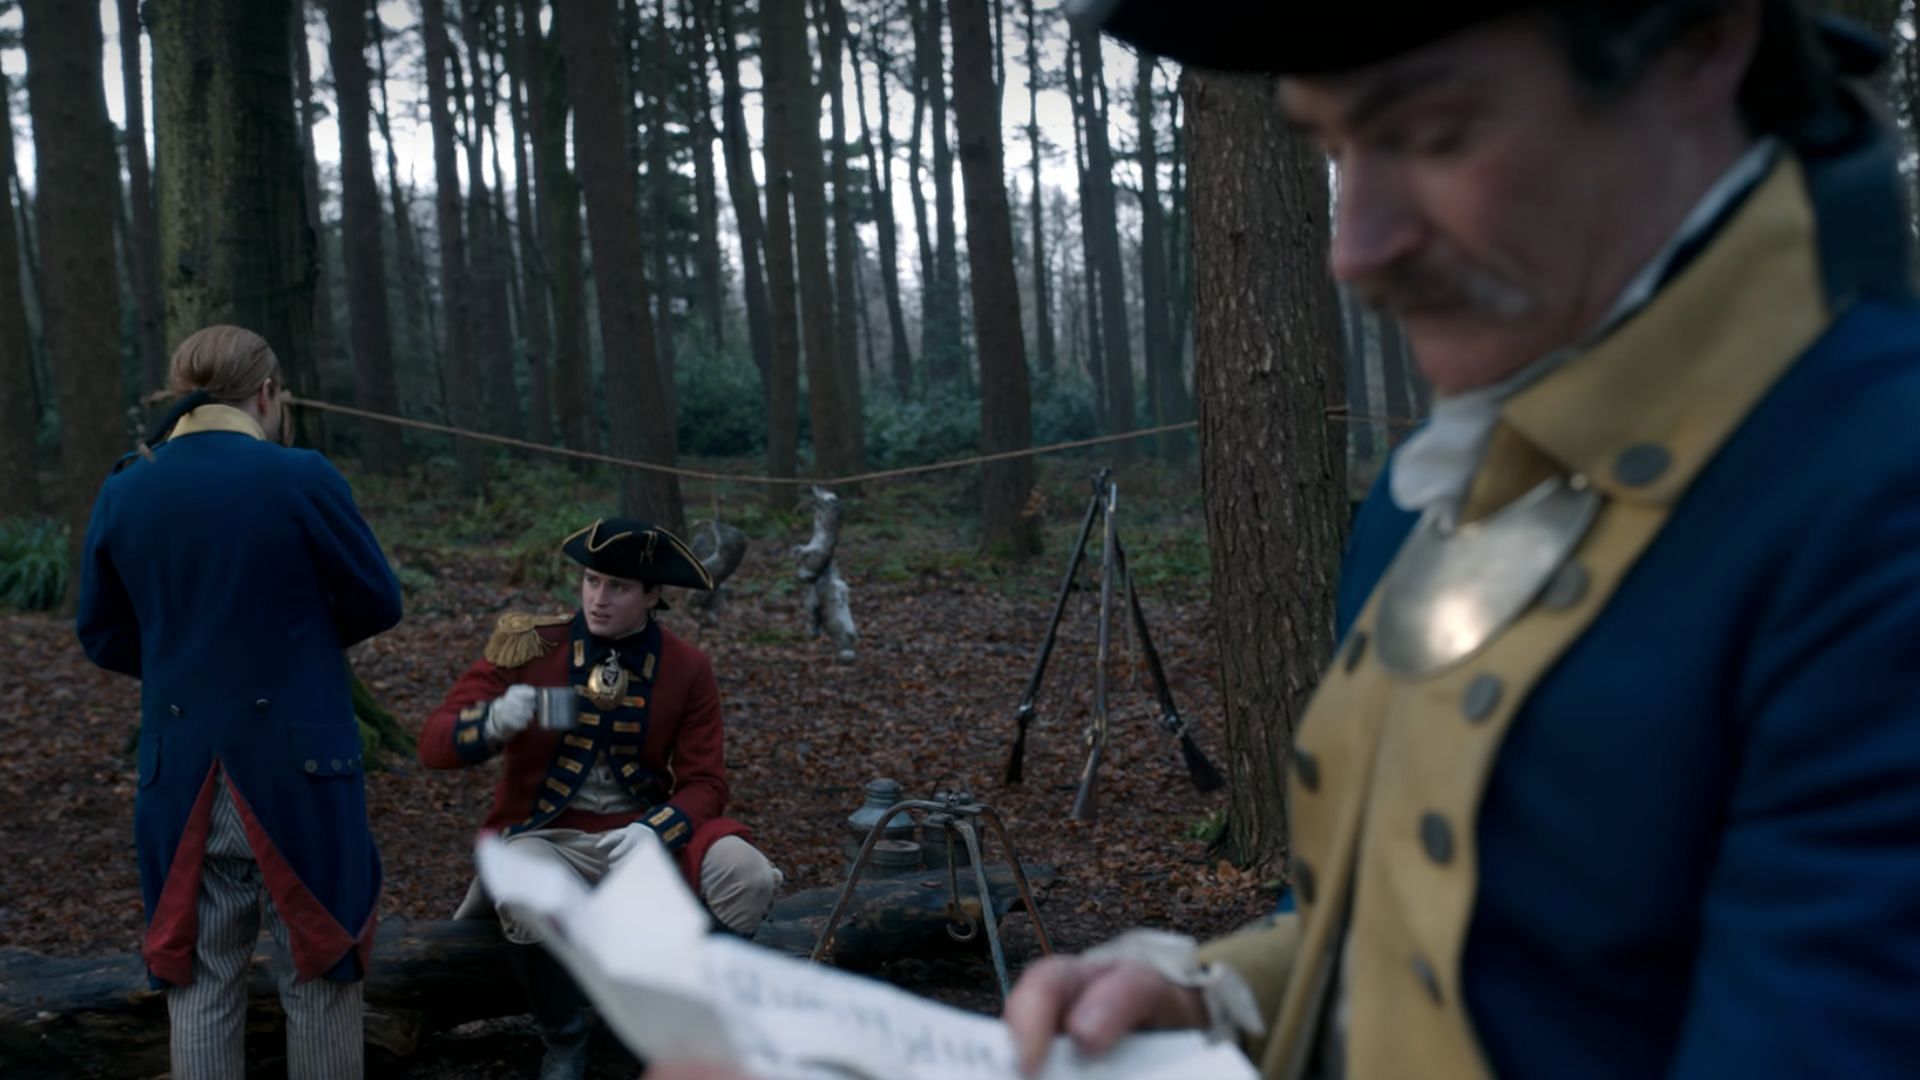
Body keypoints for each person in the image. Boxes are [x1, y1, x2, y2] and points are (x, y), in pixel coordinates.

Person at [1003, 1, 1920, 1077]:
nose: (1356, 249)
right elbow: (1445, 936)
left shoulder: (1878, 500)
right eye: (1337, 148)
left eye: (1435, 133)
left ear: (1700, 45)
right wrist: (1216, 1001)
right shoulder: (1425, 491)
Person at [77, 325, 403, 1079]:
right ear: (266, 394)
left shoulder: (128, 485)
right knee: (320, 971)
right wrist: (302, 653)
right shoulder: (300, 477)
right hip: (301, 762)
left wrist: (182, 667)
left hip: (178, 765)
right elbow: (377, 601)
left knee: (200, 981)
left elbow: (101, 633)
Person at [421, 517, 783, 1080]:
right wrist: (489, 722)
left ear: (653, 595)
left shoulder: (687, 667)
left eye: (617, 587)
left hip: (642, 836)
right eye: (591, 581)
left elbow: (706, 783)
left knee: (748, 875)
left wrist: (654, 830)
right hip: (546, 834)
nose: (598, 598)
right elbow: (433, 744)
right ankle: (565, 1037)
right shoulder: (530, 646)